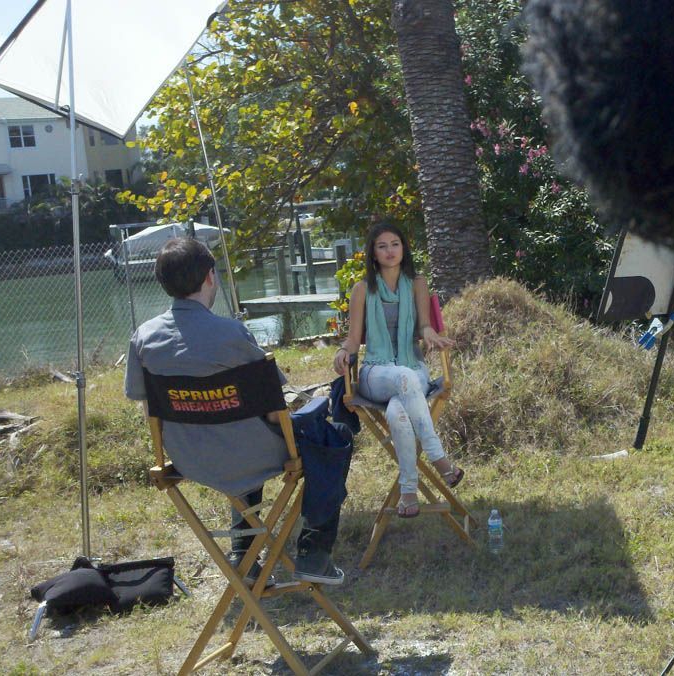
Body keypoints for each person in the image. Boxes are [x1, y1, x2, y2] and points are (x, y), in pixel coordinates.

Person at [125, 238, 350, 585]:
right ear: (210, 277)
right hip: (245, 454)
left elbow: (148, 412)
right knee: (331, 438)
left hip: (187, 457)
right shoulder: (232, 333)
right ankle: (314, 552)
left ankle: (243, 556)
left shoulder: (144, 337)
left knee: (239, 429)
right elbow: (274, 411)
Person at [332, 223, 462, 518]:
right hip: (376, 372)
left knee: (397, 412)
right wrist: (342, 352)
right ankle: (440, 459)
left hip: (413, 367)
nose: (390, 251)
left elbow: (425, 325)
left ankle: (407, 491)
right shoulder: (362, 289)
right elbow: (353, 341)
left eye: (395, 244)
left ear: (404, 248)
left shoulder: (417, 283)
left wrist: (429, 334)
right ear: (373, 254)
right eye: (382, 246)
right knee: (401, 378)